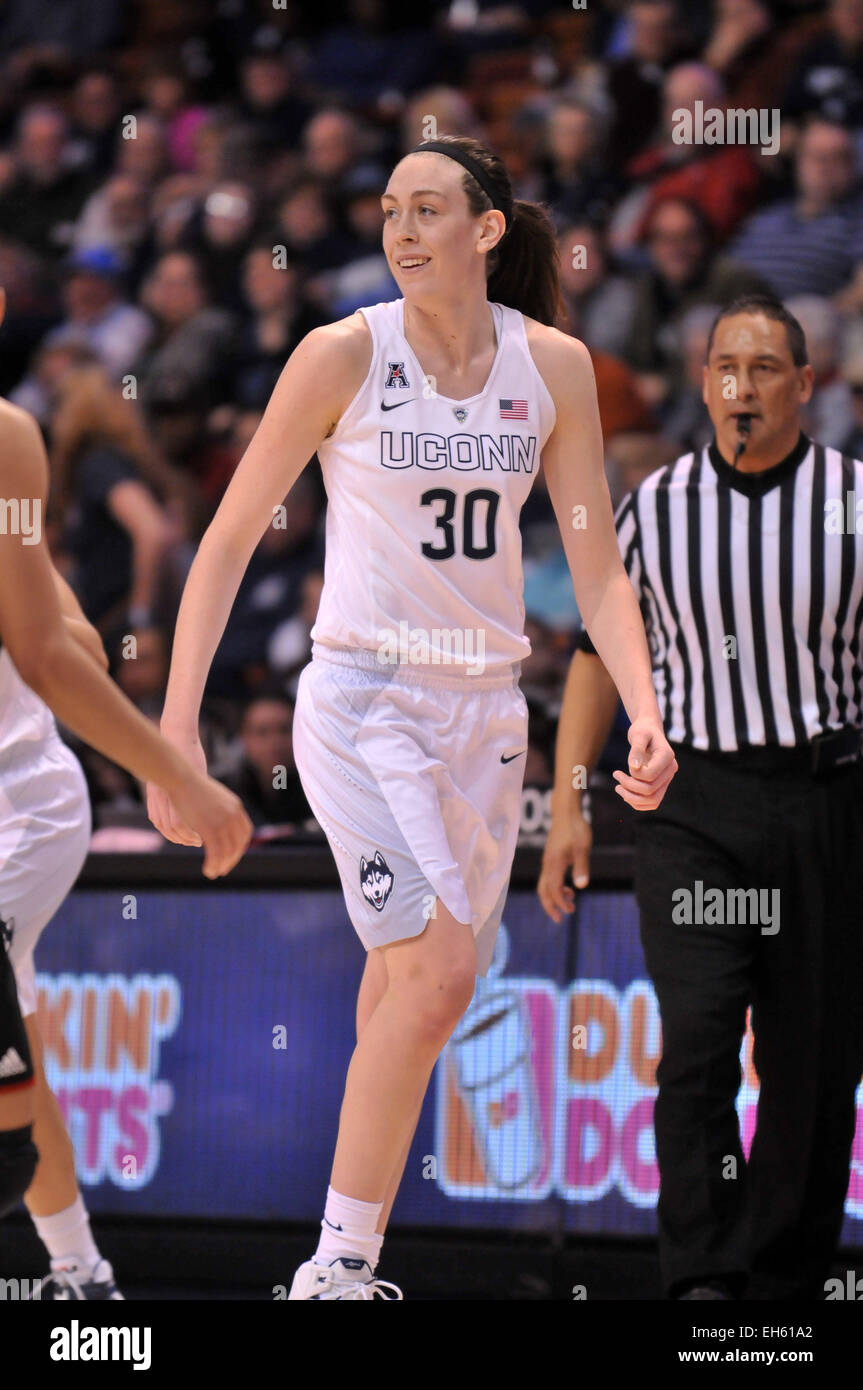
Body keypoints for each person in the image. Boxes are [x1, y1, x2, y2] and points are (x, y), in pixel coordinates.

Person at [147, 134, 676, 1300]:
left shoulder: (554, 367)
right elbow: (230, 538)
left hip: (485, 714)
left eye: (426, 208)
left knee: (407, 989)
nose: (399, 229)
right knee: (437, 976)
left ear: (485, 230)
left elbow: (594, 568)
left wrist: (644, 708)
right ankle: (334, 1267)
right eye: (388, 209)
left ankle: (349, 1258)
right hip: (361, 699)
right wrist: (174, 730)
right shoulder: (341, 352)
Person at [540, 293, 863, 1301]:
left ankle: (780, 1278)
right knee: (695, 1039)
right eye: (724, 366)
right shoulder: (655, 507)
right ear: (700, 381)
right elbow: (595, 658)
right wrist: (564, 802)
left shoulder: (855, 503)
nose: (741, 386)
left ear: (805, 386)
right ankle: (700, 1276)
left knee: (811, 1065)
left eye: (764, 368)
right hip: (692, 805)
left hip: (825, 798)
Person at [0, 283, 253, 1289]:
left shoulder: (12, 439)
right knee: (13, 1079)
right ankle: (81, 1276)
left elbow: (62, 649)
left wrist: (180, 777)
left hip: (15, 803)